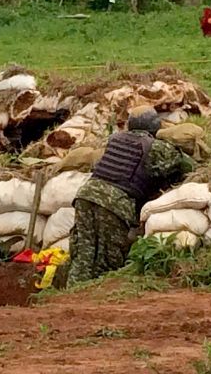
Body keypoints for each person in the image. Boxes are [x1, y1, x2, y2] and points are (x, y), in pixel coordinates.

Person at [68, 106, 195, 283]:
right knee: (110, 258)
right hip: (113, 203)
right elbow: (183, 165)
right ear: (154, 127)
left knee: (83, 252)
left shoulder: (114, 139)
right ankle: (99, 299)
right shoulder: (155, 146)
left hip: (85, 195)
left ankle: (72, 295)